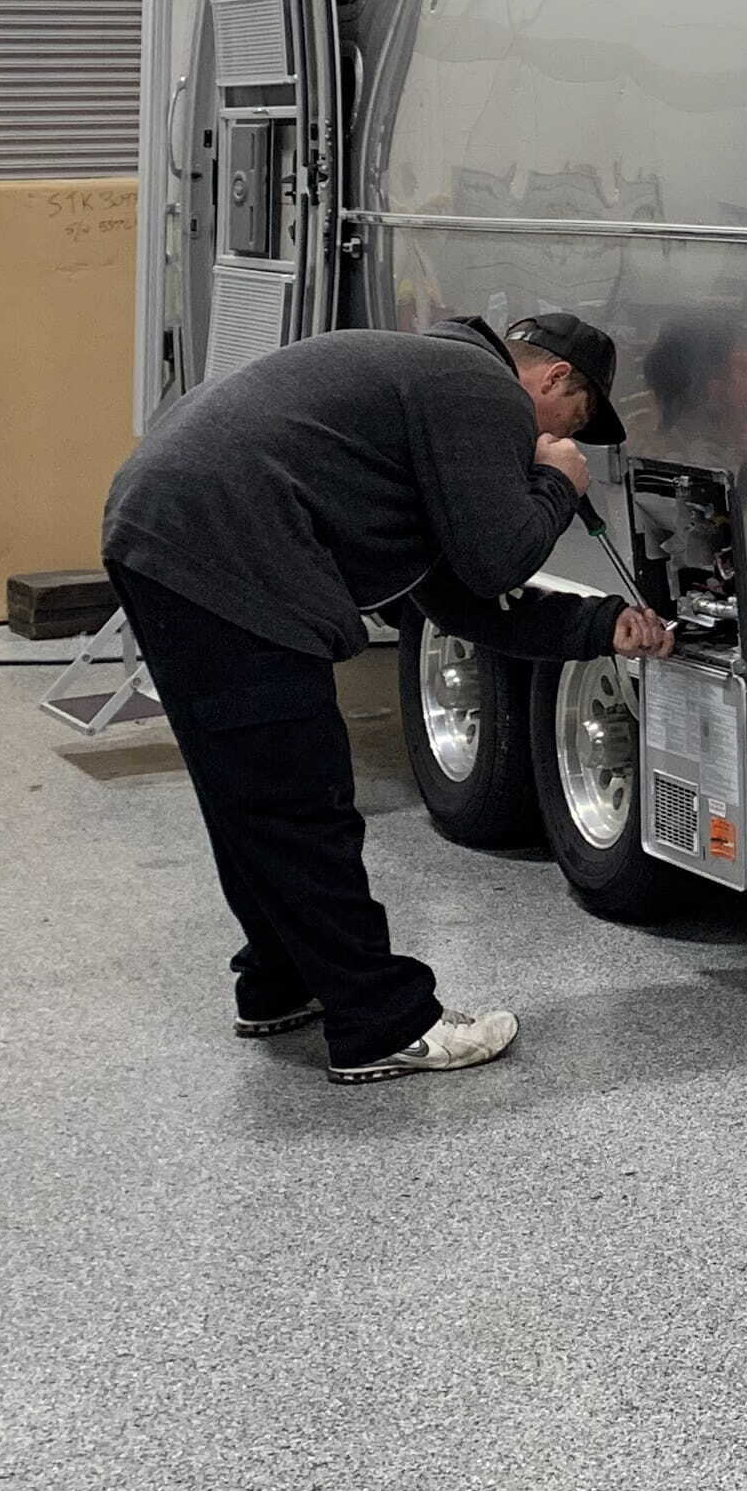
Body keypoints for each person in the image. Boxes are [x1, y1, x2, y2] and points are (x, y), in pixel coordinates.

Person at [101, 310, 675, 1084]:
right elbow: (497, 560)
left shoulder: (427, 384)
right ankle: (381, 1022)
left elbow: (459, 598)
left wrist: (604, 626)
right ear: (554, 380)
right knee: (299, 795)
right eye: (577, 420)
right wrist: (556, 482)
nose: (569, 438)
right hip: (227, 542)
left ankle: (280, 979)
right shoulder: (482, 389)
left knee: (249, 789)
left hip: (167, 525)